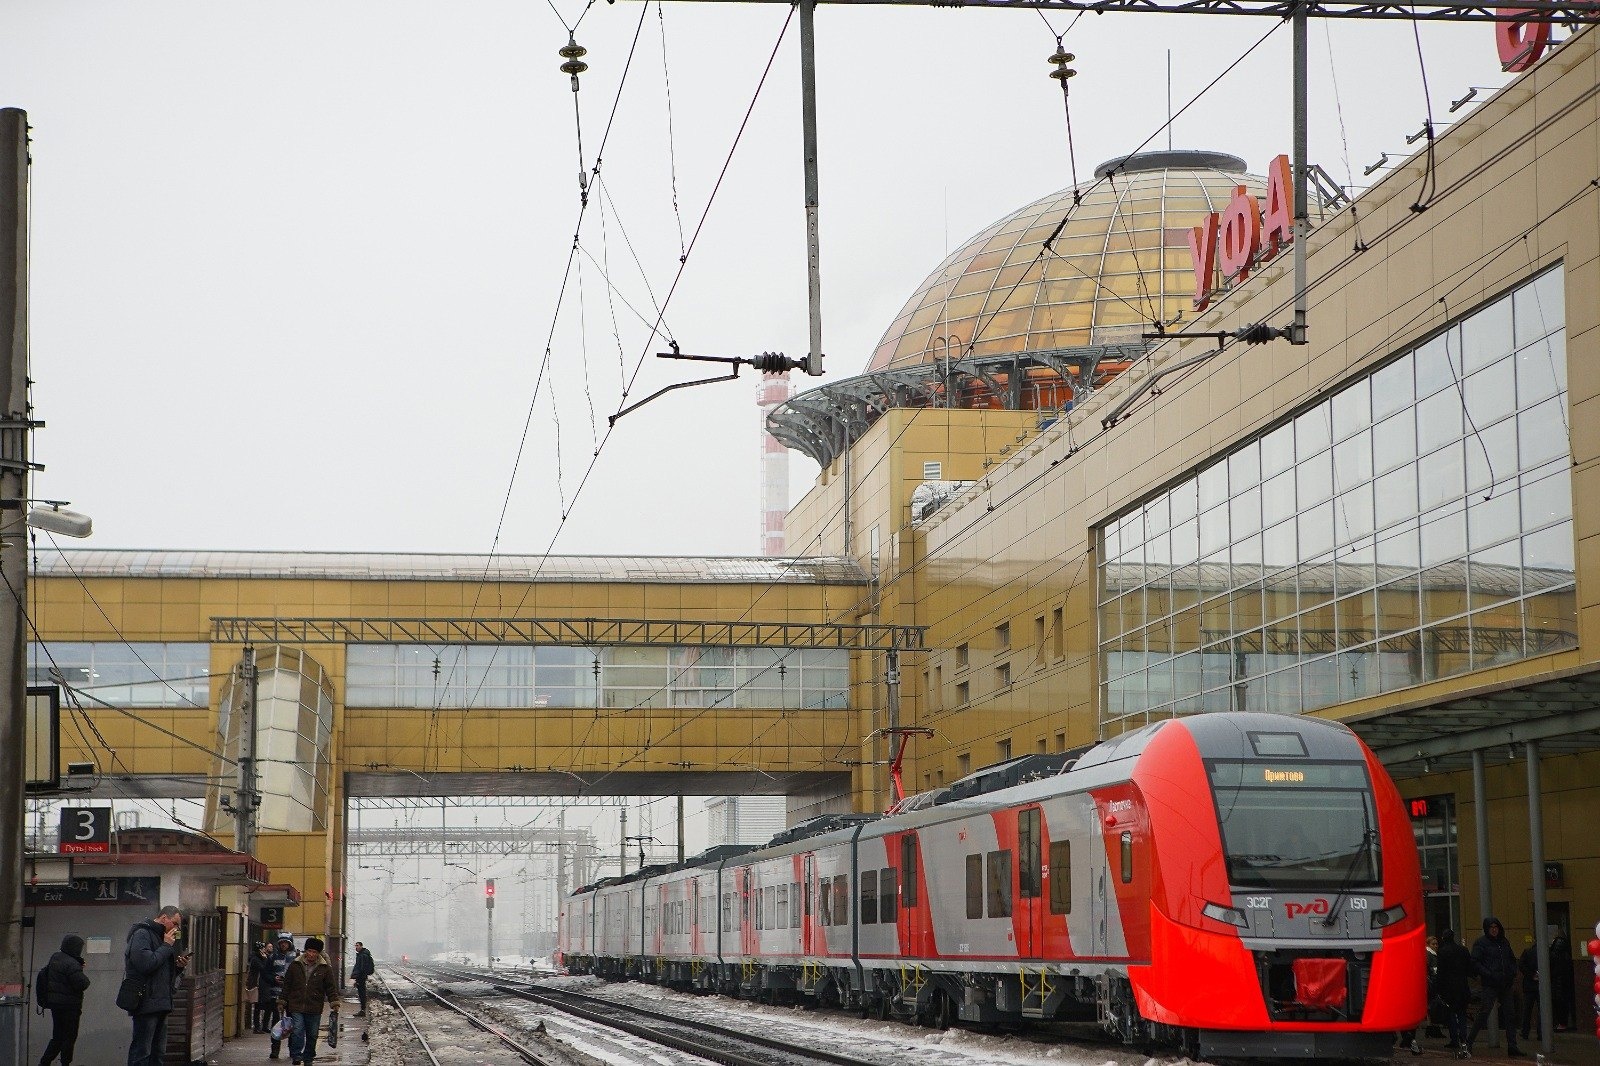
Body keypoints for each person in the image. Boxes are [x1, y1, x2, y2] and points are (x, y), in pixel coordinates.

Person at [124, 905, 191, 1066]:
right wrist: (166, 946)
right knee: (142, 1052)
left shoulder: (163, 938)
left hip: (162, 1002)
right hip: (146, 1002)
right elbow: (145, 964)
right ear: (163, 918)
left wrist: (179, 967)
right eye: (174, 923)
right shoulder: (142, 934)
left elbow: (162, 973)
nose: (176, 928)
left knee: (158, 1053)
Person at [277, 936, 339, 1066]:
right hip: (296, 1005)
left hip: (314, 1006)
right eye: (309, 951)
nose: (311, 954)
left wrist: (334, 1002)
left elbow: (330, 987)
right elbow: (287, 984)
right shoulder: (295, 965)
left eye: (314, 952)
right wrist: (282, 1000)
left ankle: (309, 1057)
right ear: (305, 951)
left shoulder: (324, 968)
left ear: (318, 954)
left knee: (312, 1034)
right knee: (298, 1031)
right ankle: (296, 1055)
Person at [1465, 916, 1522, 1058]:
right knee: (1484, 1013)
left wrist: (1512, 972)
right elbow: (1475, 962)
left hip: (1504, 983)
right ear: (1487, 929)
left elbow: (1511, 959)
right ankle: (1468, 1042)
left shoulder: (1504, 942)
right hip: (1491, 984)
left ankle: (1512, 1046)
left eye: (1496, 927)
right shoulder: (1481, 943)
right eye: (1491, 927)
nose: (1494, 930)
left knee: (1510, 1015)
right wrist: (1489, 974)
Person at [38, 934, 91, 1066]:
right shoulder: (71, 963)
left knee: (57, 1037)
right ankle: (65, 1063)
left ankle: (44, 1062)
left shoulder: (55, 958)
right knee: (69, 1037)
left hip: (56, 1005)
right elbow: (83, 983)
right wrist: (79, 967)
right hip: (70, 1006)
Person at [1435, 929, 1474, 1058]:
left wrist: (1438, 988)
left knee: (1451, 1013)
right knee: (1462, 1013)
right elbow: (1469, 968)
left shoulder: (1442, 952)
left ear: (1443, 938)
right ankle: (1464, 1038)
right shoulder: (1463, 950)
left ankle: (1454, 1039)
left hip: (1448, 987)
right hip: (1462, 986)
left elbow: (1440, 972)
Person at [267, 935, 298, 1059]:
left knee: (292, 1023)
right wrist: (273, 979)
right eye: (282, 943)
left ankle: (292, 1049)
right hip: (276, 994)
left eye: (286, 943)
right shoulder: (272, 957)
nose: (284, 945)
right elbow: (265, 973)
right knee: (276, 1023)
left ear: (290, 944)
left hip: (292, 995)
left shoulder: (296, 957)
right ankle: (275, 1049)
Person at [1548, 931, 1574, 1031]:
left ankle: (1560, 1023)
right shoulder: (1567, 955)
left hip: (1555, 983)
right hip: (1565, 984)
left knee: (1557, 1005)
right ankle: (1563, 1023)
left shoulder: (1552, 955)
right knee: (1563, 1004)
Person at [248, 943, 276, 1033]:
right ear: (260, 950)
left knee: (268, 1006)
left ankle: (264, 1025)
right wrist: (265, 959)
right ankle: (257, 1027)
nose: (265, 950)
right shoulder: (256, 959)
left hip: (265, 985)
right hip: (258, 985)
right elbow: (264, 969)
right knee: (258, 1006)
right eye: (264, 948)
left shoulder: (263, 958)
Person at [1517, 936, 1541, 1041]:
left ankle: (1525, 1032)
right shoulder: (1546, 953)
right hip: (1541, 986)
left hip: (1529, 985)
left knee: (1527, 1010)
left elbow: (1521, 965)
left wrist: (1531, 975)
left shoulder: (1527, 952)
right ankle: (1541, 1033)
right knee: (1542, 1011)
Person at [349, 942, 374, 1018]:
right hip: (362, 976)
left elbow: (361, 968)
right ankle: (362, 1010)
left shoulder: (362, 955)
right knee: (362, 993)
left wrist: (357, 977)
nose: (356, 947)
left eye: (357, 946)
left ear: (361, 946)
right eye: (355, 946)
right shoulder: (363, 954)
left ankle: (363, 1010)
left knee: (362, 993)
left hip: (361, 977)